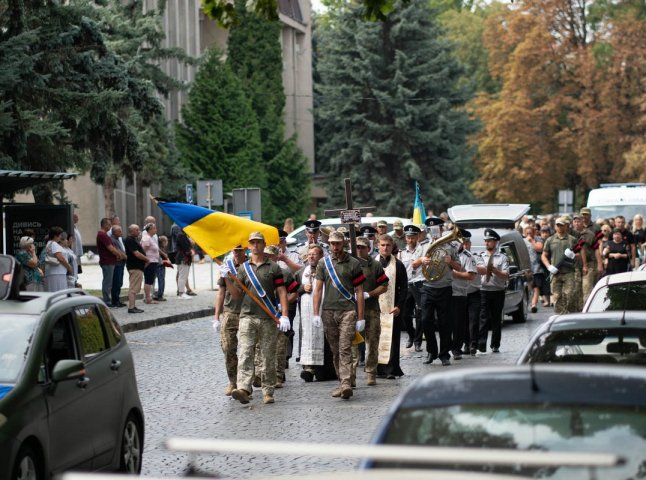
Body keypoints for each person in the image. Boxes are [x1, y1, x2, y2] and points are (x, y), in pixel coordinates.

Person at [219, 232, 290, 405]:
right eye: (253, 243)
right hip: (247, 317)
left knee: (267, 355)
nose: (256, 245)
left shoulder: (273, 267)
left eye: (258, 242)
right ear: (249, 246)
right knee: (245, 353)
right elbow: (236, 295)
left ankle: (268, 390)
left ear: (264, 244)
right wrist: (227, 278)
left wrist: (285, 316)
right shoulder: (244, 269)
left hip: (267, 317)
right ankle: (244, 388)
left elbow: (281, 291)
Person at [312, 231, 366, 400]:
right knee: (335, 350)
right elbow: (318, 289)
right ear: (329, 244)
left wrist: (361, 316)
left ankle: (346, 384)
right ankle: (342, 380)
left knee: (345, 348)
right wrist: (315, 313)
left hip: (348, 311)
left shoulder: (354, 263)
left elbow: (359, 290)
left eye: (338, 243)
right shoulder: (323, 263)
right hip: (328, 311)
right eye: (333, 244)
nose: (335, 247)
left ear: (344, 243)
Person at [420, 217, 460, 366]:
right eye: (431, 229)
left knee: (445, 323)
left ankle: (444, 354)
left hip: (444, 289)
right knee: (425, 321)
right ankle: (432, 351)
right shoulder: (424, 246)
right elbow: (414, 262)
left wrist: (451, 262)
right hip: (428, 287)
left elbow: (459, 268)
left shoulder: (450, 246)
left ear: (442, 229)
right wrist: (422, 260)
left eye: (436, 228)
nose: (434, 231)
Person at [354, 236, 388, 386]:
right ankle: (350, 375)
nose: (359, 250)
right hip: (353, 310)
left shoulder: (375, 265)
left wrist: (370, 294)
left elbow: (384, 285)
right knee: (352, 343)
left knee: (373, 341)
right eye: (357, 247)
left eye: (362, 247)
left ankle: (371, 372)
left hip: (372, 309)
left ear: (369, 249)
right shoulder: (349, 264)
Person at [213, 246, 247, 396]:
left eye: (240, 250)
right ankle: (233, 381)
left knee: (248, 349)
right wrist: (216, 317)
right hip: (230, 311)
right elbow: (221, 293)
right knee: (227, 348)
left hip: (248, 312)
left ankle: (246, 381)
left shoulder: (251, 265)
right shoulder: (227, 267)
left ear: (245, 250)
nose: (238, 252)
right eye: (235, 250)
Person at [295, 244, 330, 382]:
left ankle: (323, 370)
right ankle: (308, 368)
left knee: (324, 339)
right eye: (309, 254)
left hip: (323, 310)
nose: (310, 256)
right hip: (306, 313)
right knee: (307, 338)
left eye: (314, 254)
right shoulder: (301, 272)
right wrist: (302, 287)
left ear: (321, 256)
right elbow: (292, 289)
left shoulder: (328, 270)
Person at [375, 234, 407, 379]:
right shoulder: (372, 263)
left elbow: (404, 288)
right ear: (378, 246)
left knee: (392, 339)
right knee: (375, 338)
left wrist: (399, 306)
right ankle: (377, 368)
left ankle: (391, 369)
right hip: (375, 308)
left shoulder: (398, 265)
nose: (385, 248)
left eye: (388, 245)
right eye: (382, 245)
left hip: (392, 308)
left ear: (392, 246)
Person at [476, 229, 509, 354]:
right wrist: (483, 269)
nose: (487, 243)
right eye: (486, 241)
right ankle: (482, 344)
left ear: (495, 242)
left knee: (496, 319)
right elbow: (477, 269)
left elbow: (506, 276)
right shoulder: (480, 256)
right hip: (484, 290)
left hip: (497, 291)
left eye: (489, 241)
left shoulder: (502, 257)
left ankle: (495, 344)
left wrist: (495, 271)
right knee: (483, 318)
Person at [542, 217, 578, 314]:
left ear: (566, 226)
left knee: (569, 295)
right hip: (555, 273)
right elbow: (544, 255)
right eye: (557, 225)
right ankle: (560, 317)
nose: (559, 227)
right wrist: (549, 266)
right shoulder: (550, 240)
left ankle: (570, 315)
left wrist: (573, 255)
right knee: (556, 297)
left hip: (569, 272)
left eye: (561, 225)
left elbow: (579, 254)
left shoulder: (572, 239)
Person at [450, 228, 477, 360]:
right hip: (445, 291)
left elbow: (471, 276)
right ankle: (445, 347)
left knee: (458, 324)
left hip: (459, 293)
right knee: (444, 323)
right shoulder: (446, 253)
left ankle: (456, 348)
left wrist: (455, 274)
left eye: (458, 240)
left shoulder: (468, 256)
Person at [397, 225, 424, 351]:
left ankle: (418, 341)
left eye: (413, 237)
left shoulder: (423, 250)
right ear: (405, 238)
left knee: (420, 313)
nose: (410, 240)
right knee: (405, 315)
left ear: (417, 237)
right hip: (407, 285)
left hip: (419, 284)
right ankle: (411, 335)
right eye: (408, 237)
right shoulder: (401, 253)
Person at [124, 224, 149, 314]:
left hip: (138, 267)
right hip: (134, 267)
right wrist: (146, 259)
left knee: (135, 288)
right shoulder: (130, 240)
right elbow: (136, 253)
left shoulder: (134, 239)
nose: (139, 232)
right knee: (133, 288)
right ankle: (131, 307)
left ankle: (133, 306)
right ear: (132, 231)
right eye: (137, 230)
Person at [96, 217, 122, 305]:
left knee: (109, 282)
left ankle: (108, 299)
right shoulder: (102, 235)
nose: (110, 226)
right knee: (107, 282)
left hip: (110, 261)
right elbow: (111, 248)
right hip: (107, 261)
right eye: (109, 224)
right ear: (104, 225)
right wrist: (119, 254)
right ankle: (106, 301)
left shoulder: (105, 235)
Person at [43, 226, 74, 292]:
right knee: (59, 293)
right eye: (59, 235)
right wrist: (69, 267)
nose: (60, 237)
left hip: (55, 273)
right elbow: (61, 258)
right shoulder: (54, 244)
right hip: (57, 273)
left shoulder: (50, 243)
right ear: (55, 235)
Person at [523, 225, 544, 312]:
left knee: (536, 288)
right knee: (528, 288)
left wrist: (532, 241)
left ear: (534, 233)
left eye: (530, 233)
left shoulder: (537, 239)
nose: (529, 235)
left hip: (536, 268)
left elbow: (539, 249)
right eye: (527, 233)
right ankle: (526, 305)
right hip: (526, 269)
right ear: (524, 233)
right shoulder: (522, 241)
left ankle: (534, 305)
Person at [141, 223, 160, 304]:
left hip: (153, 262)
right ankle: (148, 298)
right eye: (154, 228)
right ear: (150, 230)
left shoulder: (151, 238)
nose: (156, 230)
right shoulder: (146, 238)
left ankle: (149, 297)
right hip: (149, 262)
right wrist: (145, 261)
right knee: (148, 280)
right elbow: (143, 251)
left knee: (150, 280)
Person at [110, 224, 127, 308]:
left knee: (120, 282)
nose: (121, 232)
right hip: (117, 264)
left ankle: (118, 300)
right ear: (114, 232)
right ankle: (115, 301)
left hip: (121, 263)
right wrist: (125, 257)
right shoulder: (112, 240)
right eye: (119, 231)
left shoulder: (118, 239)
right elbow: (118, 253)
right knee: (116, 283)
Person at [175, 230, 194, 299]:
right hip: (183, 258)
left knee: (183, 276)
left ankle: (181, 292)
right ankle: (181, 293)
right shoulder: (181, 235)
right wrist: (191, 252)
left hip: (184, 257)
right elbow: (186, 247)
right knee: (182, 276)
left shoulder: (183, 235)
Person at [71, 212, 83, 277]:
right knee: (74, 269)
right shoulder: (71, 228)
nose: (77, 218)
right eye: (75, 217)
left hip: (77, 253)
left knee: (77, 270)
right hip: (74, 252)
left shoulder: (75, 227)